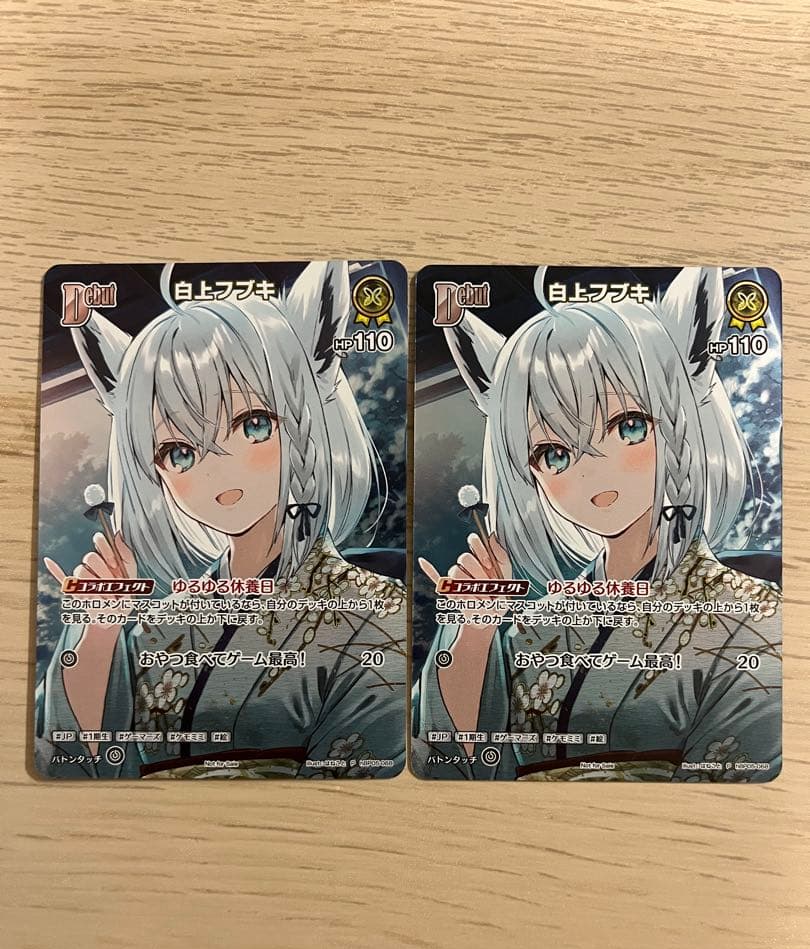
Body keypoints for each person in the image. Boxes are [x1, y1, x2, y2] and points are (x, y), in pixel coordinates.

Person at [36, 261, 406, 779]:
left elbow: (364, 770)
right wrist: (98, 629)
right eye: (179, 452)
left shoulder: (377, 610)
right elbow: (69, 762)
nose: (217, 469)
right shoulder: (158, 624)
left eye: (253, 425)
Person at [413, 267, 781, 781]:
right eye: (554, 454)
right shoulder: (534, 627)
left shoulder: (753, 618)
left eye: (628, 427)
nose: (590, 471)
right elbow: (454, 762)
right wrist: (475, 630)